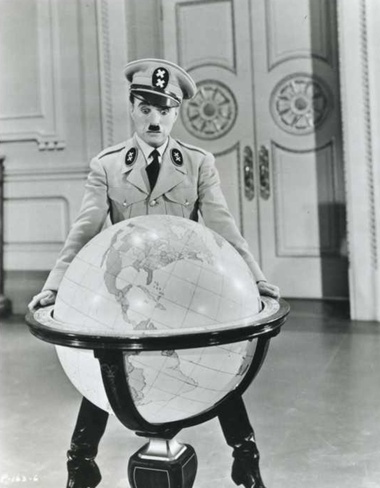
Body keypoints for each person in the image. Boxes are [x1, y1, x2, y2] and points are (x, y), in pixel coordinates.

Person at [29, 59, 280, 488]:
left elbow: (224, 229)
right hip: (128, 295)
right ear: (132, 108)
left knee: (217, 368)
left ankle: (246, 460)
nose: (155, 120)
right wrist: (53, 287)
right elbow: (83, 233)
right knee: (105, 374)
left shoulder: (197, 163)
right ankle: (80, 464)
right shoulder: (107, 166)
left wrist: (256, 279)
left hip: (184, 290)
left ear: (176, 113)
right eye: (146, 109)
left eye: (164, 110)